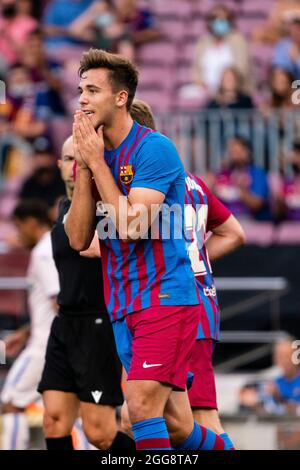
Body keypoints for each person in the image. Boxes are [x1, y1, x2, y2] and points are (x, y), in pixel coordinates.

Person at [65, 48, 228, 451]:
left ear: (121, 98)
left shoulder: (154, 149)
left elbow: (133, 225)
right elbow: (77, 238)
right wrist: (86, 168)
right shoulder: (91, 154)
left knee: (138, 409)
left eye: (92, 90)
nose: (82, 99)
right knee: (176, 426)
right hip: (122, 304)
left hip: (165, 297)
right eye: (80, 90)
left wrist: (98, 165)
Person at [122, 99, 245, 449]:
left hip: (174, 301)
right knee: (162, 418)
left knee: (199, 415)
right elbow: (235, 233)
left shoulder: (147, 184)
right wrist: (198, 262)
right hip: (190, 297)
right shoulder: (192, 182)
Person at [38, 135, 134, 451]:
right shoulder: (64, 207)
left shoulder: (102, 204)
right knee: (53, 420)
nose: (73, 166)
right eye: (68, 159)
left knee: (100, 432)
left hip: (97, 323)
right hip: (64, 323)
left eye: (78, 158)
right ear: (60, 165)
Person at [0, 199, 59, 449]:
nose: (17, 233)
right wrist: (24, 334)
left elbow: (58, 300)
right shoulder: (53, 246)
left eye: (18, 225)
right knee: (69, 410)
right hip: (48, 342)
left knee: (11, 402)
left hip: (43, 347)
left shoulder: (43, 253)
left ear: (32, 223)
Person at [191, 4, 252, 97]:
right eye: (215, 18)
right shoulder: (203, 42)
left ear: (230, 21)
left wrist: (226, 85)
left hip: (232, 90)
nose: (219, 21)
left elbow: (242, 69)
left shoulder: (238, 40)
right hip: (206, 90)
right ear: (210, 21)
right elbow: (196, 69)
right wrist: (201, 84)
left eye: (224, 19)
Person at [212, 135, 271, 221]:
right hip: (224, 223)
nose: (233, 156)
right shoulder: (222, 174)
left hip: (250, 223)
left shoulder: (257, 174)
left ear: (247, 152)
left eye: (237, 152)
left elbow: (256, 204)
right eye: (231, 152)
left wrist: (241, 189)